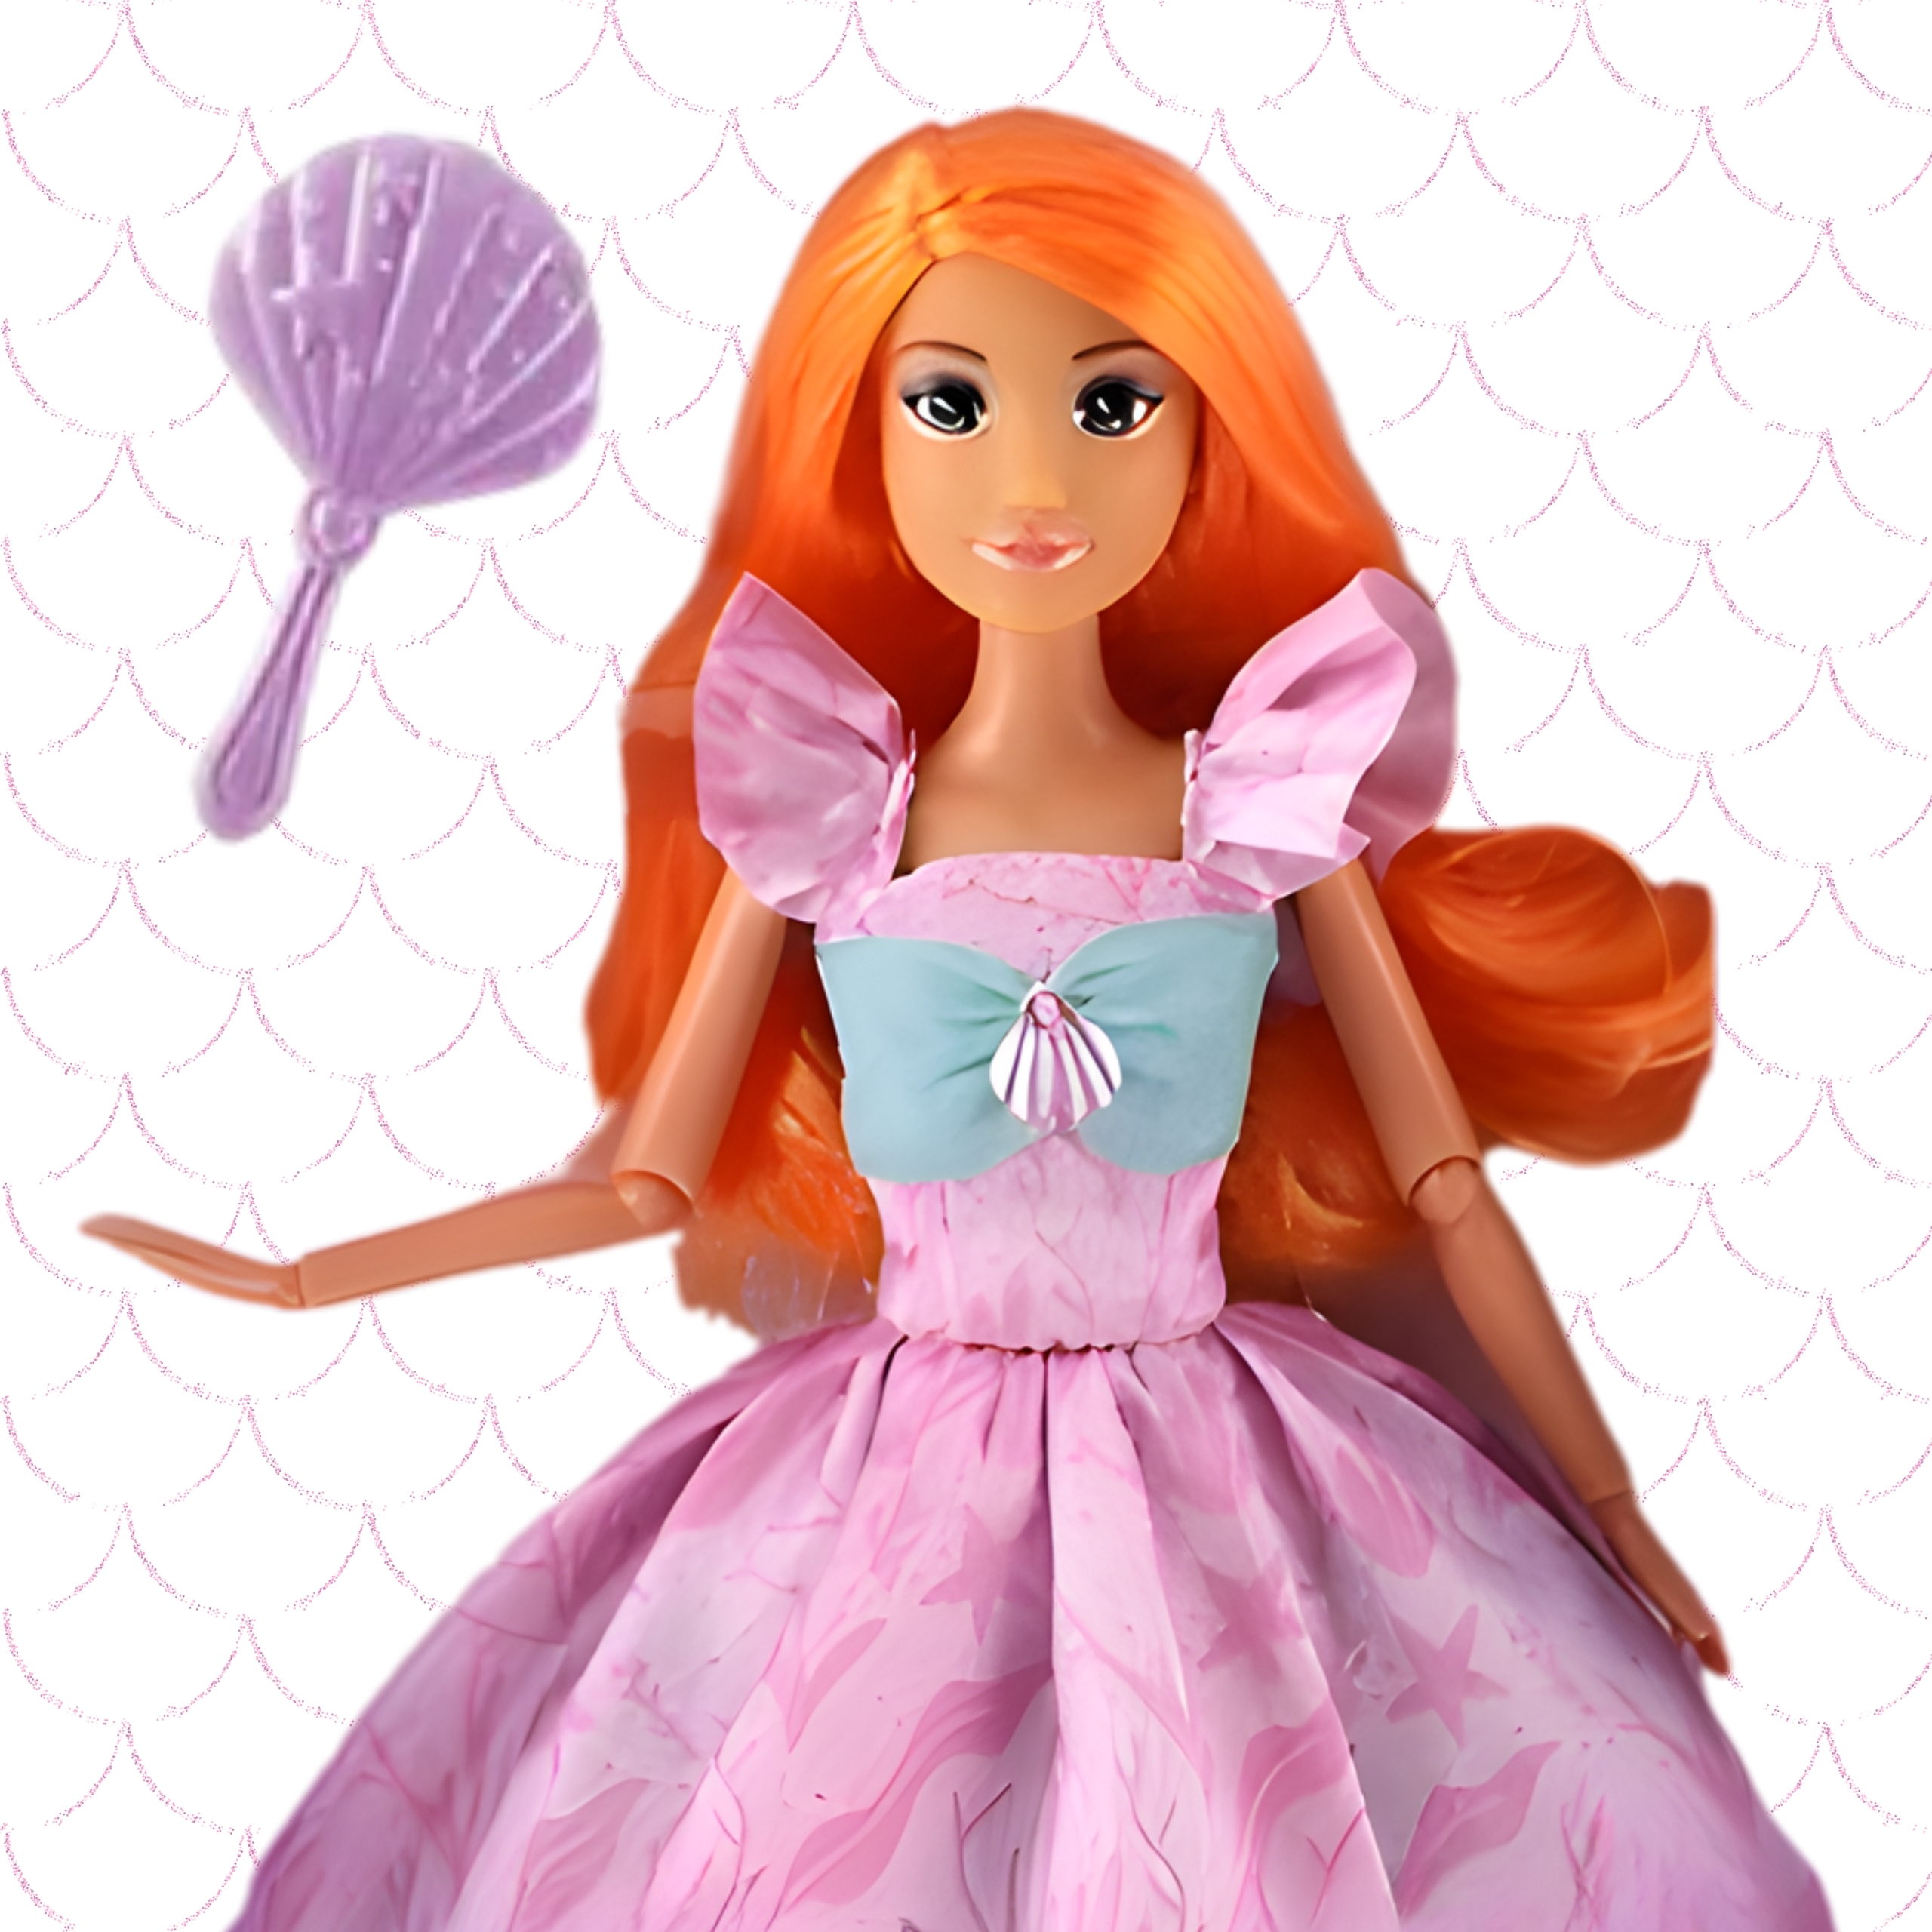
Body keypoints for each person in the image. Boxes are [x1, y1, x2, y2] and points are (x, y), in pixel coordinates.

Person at [87, 109, 1831, 1930]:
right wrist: (306, 1278)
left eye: (1110, 404)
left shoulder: (1256, 794)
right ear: (861, 439)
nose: (1033, 474)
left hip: (1221, 1457)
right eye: (948, 403)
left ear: (1204, 437)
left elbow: (1444, 1182)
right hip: (895, 1473)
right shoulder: (828, 798)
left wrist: (1604, 1499)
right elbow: (639, 1184)